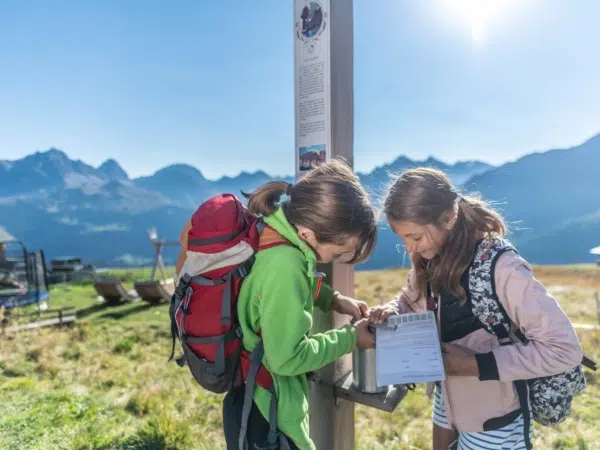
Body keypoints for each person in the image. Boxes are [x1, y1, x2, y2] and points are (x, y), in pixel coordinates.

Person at [369, 167, 583, 450]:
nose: (410, 248)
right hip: (448, 401)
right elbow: (410, 300)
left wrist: (476, 364)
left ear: (449, 217)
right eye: (403, 238)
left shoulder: (503, 268)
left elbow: (564, 349)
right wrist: (391, 311)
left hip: (497, 416)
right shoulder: (430, 257)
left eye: (416, 237)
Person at [179, 158, 377, 450]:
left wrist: (335, 300)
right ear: (308, 234)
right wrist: (351, 339)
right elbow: (287, 359)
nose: (336, 259)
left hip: (247, 395)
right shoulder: (286, 266)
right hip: (269, 412)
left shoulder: (272, 231)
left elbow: (272, 293)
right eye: (337, 253)